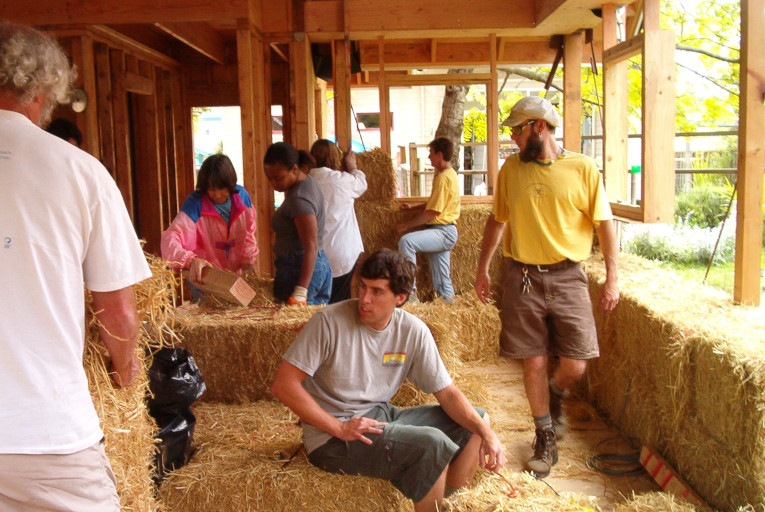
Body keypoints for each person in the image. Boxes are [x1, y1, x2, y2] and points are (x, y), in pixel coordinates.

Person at [0, 21, 152, 511]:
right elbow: (118, 314)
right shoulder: (78, 170)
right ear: (43, 90)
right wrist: (126, 370)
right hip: (44, 433)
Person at [271, 249, 506, 512]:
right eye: (362, 287)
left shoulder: (413, 330)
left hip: (379, 417)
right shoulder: (329, 322)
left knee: (478, 421)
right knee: (431, 445)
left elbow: (447, 392)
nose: (365, 299)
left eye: (377, 291)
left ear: (400, 298)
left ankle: (449, 501)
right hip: (332, 440)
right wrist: (339, 428)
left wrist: (488, 434)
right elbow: (284, 384)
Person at [474, 95, 619, 478]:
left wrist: (612, 278)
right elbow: (496, 220)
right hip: (521, 275)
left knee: (576, 364)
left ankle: (555, 393)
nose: (513, 139)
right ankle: (544, 434)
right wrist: (483, 269)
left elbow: (605, 224)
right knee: (533, 360)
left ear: (540, 126)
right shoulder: (511, 170)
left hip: (569, 274)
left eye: (517, 131)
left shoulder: (582, 168)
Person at [161, 153, 258, 302]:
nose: (217, 194)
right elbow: (170, 239)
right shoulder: (195, 204)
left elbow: (249, 232)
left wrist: (248, 260)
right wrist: (191, 261)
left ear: (230, 184)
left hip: (232, 274)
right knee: (211, 313)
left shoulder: (242, 196)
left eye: (222, 189)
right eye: (212, 189)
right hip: (206, 275)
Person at [264, 141, 332, 306]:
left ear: (294, 169)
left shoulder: (299, 199)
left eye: (278, 178)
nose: (274, 184)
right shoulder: (306, 182)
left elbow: (311, 245)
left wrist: (301, 290)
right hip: (314, 265)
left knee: (296, 329)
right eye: (270, 178)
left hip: (299, 269)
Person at [396, 137, 460, 302]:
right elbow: (434, 203)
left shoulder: (444, 177)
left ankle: (411, 295)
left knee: (406, 242)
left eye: (431, 154)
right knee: (442, 281)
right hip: (445, 231)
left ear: (440, 154)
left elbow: (432, 211)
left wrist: (407, 226)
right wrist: (412, 208)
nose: (429, 157)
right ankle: (450, 312)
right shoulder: (448, 174)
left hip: (443, 231)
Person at [309, 139, 368, 303]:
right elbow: (362, 184)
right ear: (335, 158)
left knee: (318, 305)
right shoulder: (342, 180)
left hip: (316, 254)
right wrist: (352, 165)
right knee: (340, 302)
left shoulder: (306, 182)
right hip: (342, 252)